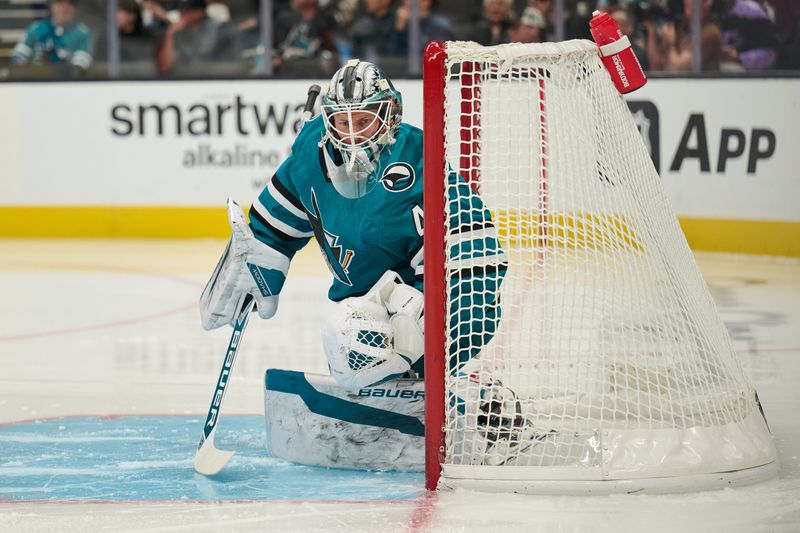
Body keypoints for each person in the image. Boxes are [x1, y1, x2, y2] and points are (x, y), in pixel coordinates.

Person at [199, 59, 508, 401]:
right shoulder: (310, 155)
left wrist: (425, 319)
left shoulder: (422, 159)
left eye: (363, 120)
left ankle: (439, 386)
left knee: (352, 330)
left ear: (389, 114)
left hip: (447, 294)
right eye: (340, 121)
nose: (351, 133)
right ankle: (398, 387)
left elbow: (472, 253)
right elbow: (274, 226)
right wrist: (257, 262)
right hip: (366, 302)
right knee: (351, 336)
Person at [156, 0, 242, 76]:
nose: (183, 14)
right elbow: (164, 67)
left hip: (219, 81)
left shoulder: (218, 26)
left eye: (189, 10)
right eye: (182, 11)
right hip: (186, 82)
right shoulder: (178, 32)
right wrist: (170, 33)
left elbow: (235, 65)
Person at [11, 0, 94, 77]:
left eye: (70, 4)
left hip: (66, 84)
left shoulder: (83, 33)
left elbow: (80, 66)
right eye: (60, 2)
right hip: (35, 81)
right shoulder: (36, 28)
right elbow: (18, 54)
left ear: (75, 8)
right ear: (52, 6)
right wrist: (22, 66)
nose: (64, 8)